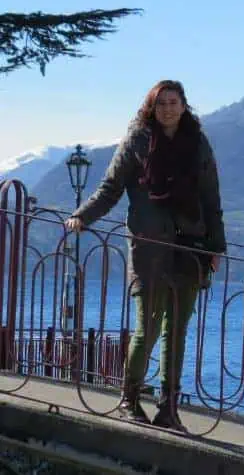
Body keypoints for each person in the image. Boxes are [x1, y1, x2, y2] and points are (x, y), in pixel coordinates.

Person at [64, 80, 226, 430]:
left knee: (177, 333)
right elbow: (110, 189)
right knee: (148, 328)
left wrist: (217, 247)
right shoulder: (137, 141)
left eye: (174, 101)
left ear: (184, 106)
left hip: (191, 249)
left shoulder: (198, 143)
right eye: (161, 103)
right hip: (149, 249)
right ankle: (129, 398)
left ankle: (168, 408)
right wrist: (83, 215)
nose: (168, 108)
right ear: (151, 107)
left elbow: (212, 198)